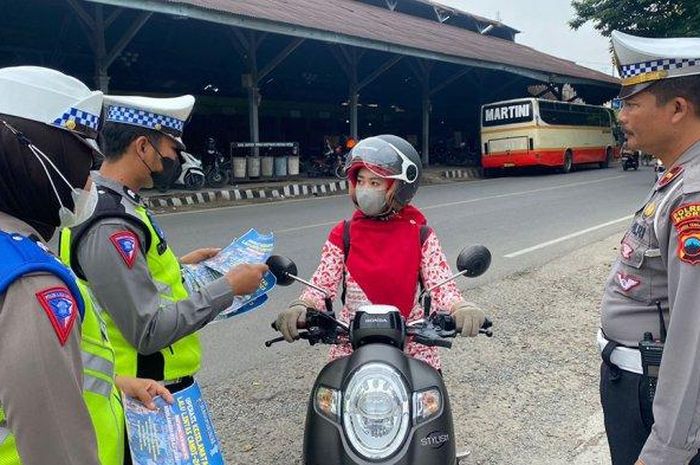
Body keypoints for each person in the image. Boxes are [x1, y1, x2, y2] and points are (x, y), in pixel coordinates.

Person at [0, 66, 171, 465]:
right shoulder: (30, 285)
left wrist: (114, 382)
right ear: (34, 154)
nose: (90, 176)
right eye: (81, 154)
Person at [59, 94, 268, 393]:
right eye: (172, 149)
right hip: (141, 392)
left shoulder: (119, 203)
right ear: (143, 146)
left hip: (154, 386)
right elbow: (148, 330)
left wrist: (182, 265)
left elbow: (123, 281)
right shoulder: (110, 224)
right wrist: (229, 287)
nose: (175, 160)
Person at [275, 135, 485, 370]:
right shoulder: (343, 233)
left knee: (430, 399)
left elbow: (441, 286)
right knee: (330, 395)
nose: (365, 190)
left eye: (375, 183)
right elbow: (322, 283)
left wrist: (460, 308)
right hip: (351, 340)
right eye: (361, 181)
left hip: (411, 339)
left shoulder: (421, 234)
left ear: (400, 187)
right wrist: (302, 305)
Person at [598, 31, 700, 465]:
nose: (622, 115)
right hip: (637, 384)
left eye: (632, 102)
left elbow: (693, 334)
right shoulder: (675, 178)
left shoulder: (692, 195)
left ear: (677, 108)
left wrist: (667, 450)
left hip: (652, 394)